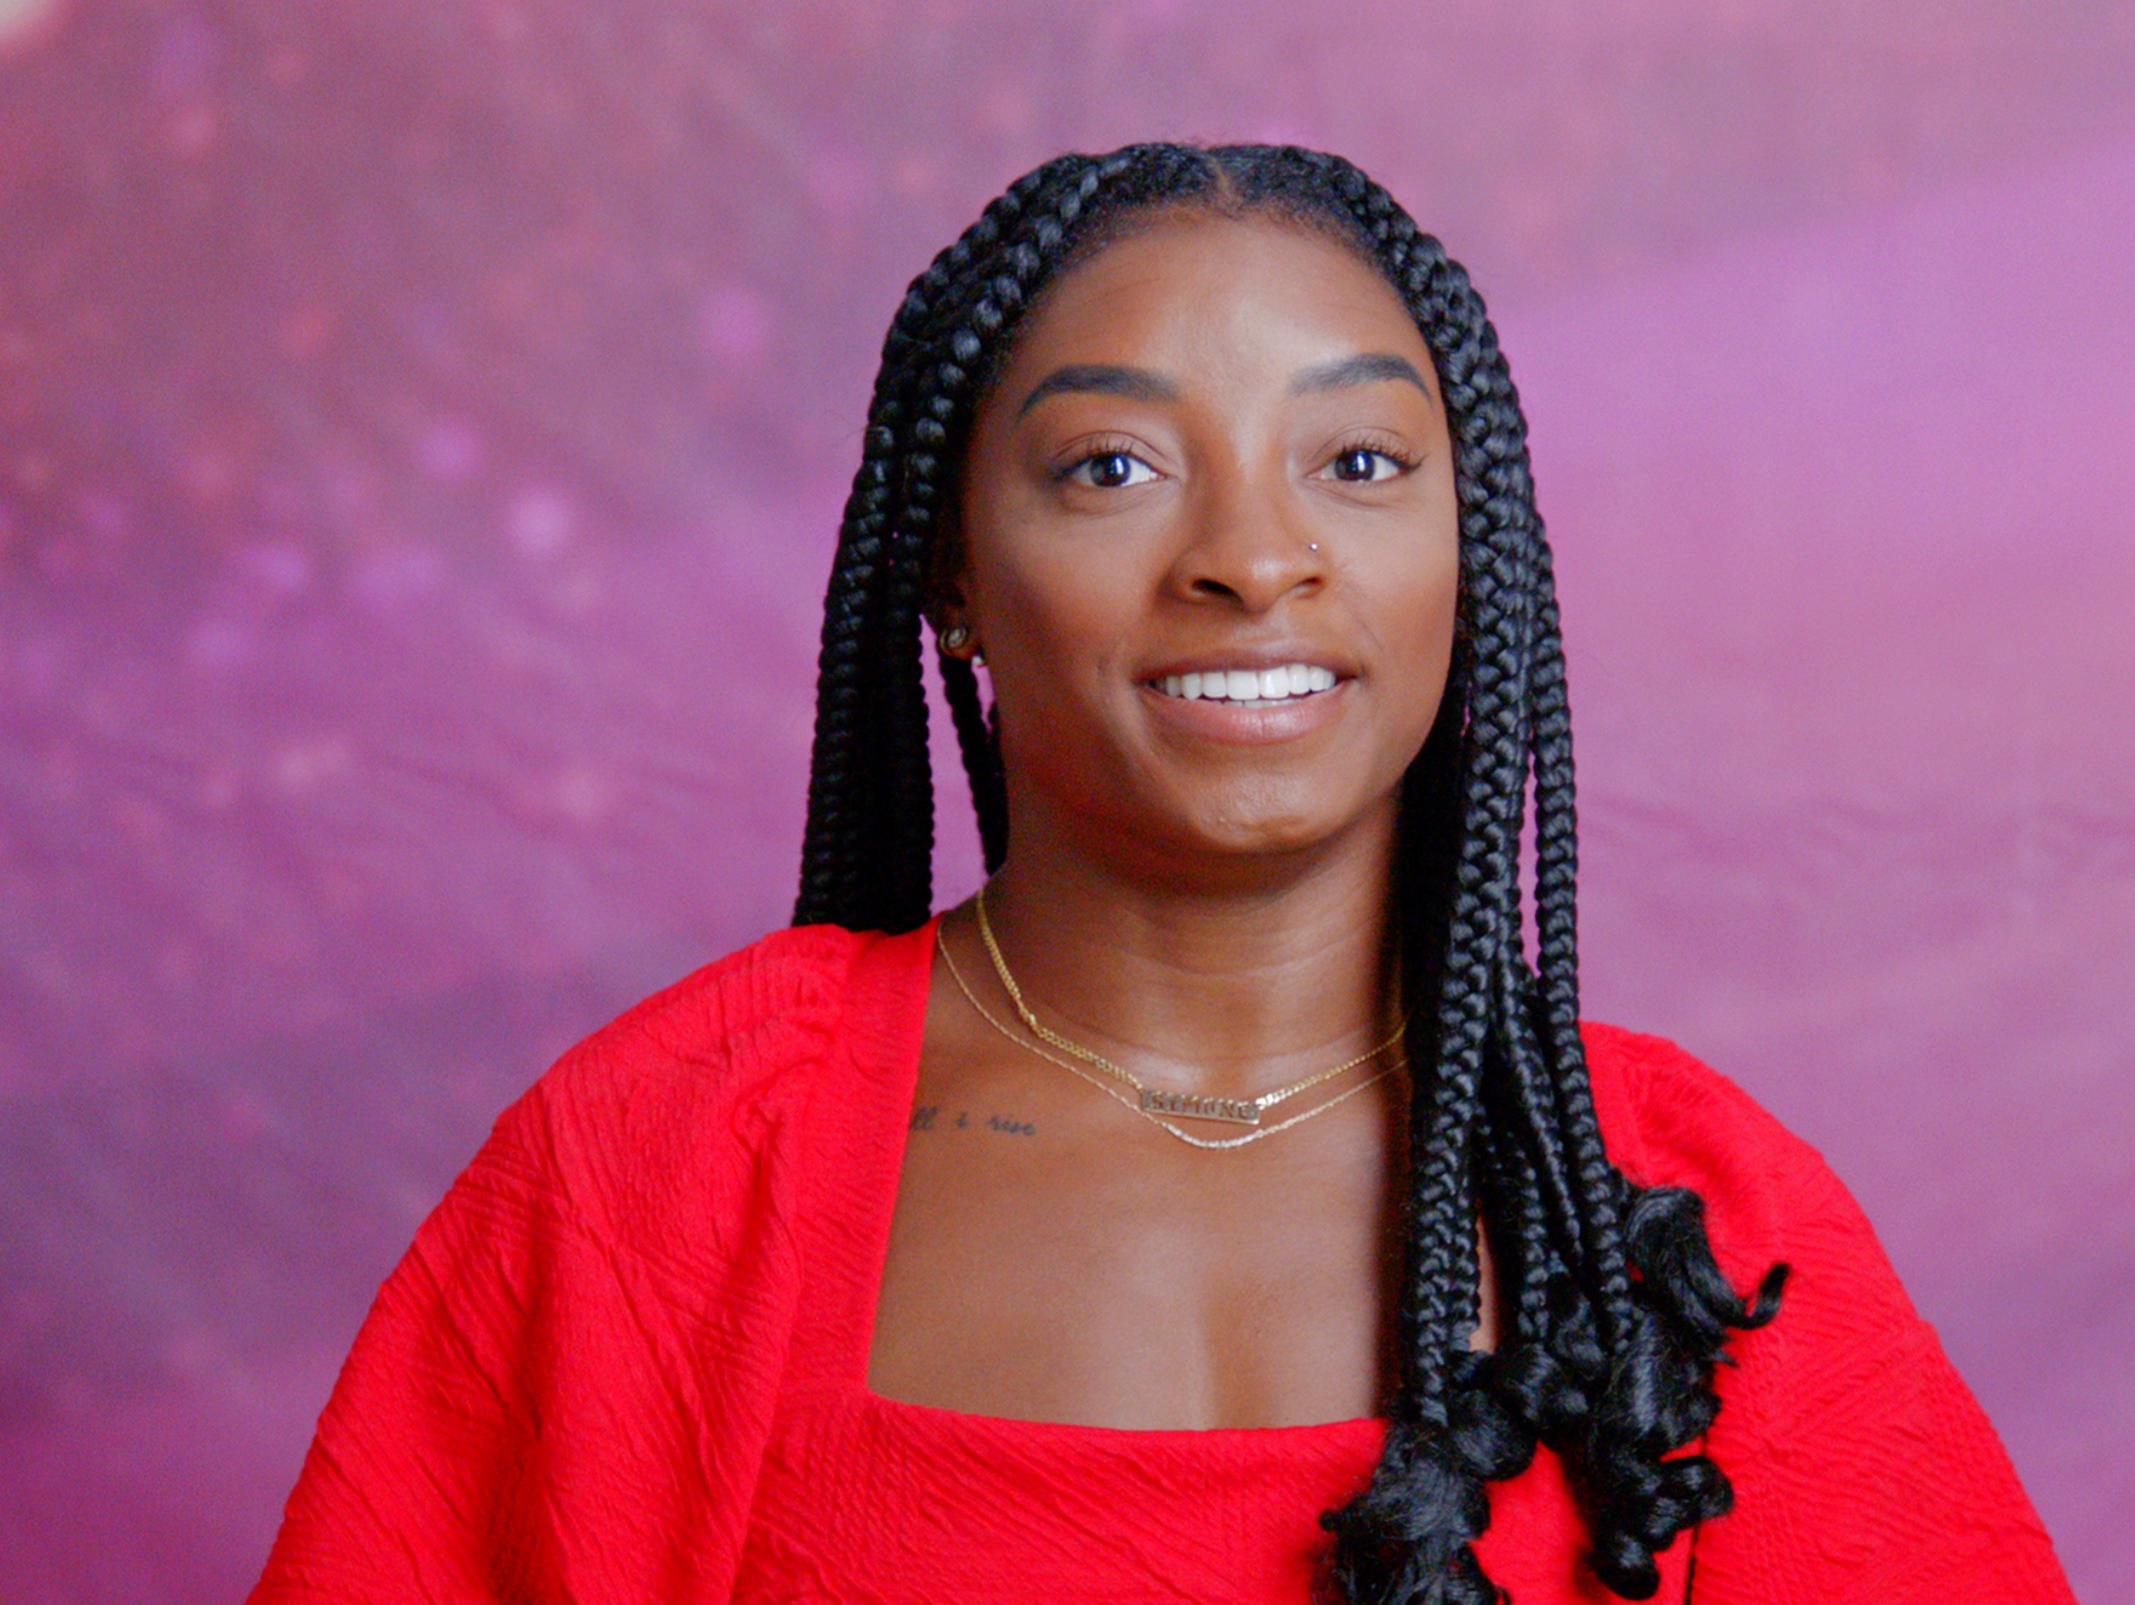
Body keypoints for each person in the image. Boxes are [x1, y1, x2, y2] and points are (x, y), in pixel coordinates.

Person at [250, 144, 2072, 1605]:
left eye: (1359, 459)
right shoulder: (669, 1159)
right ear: (952, 573)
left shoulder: (1679, 1211)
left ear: (1475, 554)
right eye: (1113, 465)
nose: (1254, 557)